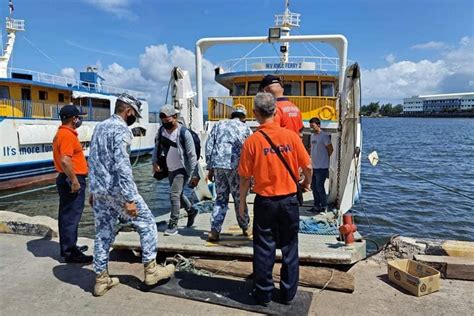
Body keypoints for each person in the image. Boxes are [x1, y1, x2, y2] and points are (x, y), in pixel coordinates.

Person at [88, 93, 175, 297]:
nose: (133, 118)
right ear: (128, 111)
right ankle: (151, 271)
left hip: (100, 191)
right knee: (147, 223)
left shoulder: (100, 127)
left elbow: (92, 158)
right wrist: (129, 199)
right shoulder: (121, 130)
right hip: (118, 191)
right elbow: (122, 166)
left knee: (102, 233)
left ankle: (101, 280)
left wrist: (93, 190)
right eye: (134, 114)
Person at [238, 92, 312, 305]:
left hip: (265, 202)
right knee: (290, 247)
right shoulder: (291, 137)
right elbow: (307, 166)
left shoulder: (252, 141)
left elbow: (244, 178)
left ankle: (264, 294)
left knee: (263, 248)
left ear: (255, 114)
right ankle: (288, 294)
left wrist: (242, 203)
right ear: (275, 111)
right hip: (289, 201)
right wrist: (306, 183)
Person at [205, 106, 253, 241]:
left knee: (220, 198)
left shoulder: (219, 124)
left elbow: (209, 145)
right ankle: (246, 228)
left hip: (219, 165)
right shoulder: (246, 128)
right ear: (243, 117)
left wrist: (210, 167)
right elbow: (250, 149)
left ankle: (214, 231)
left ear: (232, 115)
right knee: (239, 199)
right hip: (236, 167)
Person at [52, 105, 93, 263]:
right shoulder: (67, 135)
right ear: (73, 118)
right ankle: (70, 252)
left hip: (65, 177)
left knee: (67, 214)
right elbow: (65, 160)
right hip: (72, 179)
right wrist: (75, 181)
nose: (79, 120)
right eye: (78, 117)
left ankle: (70, 246)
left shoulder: (61, 133)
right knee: (71, 216)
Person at [152, 105, 200, 236]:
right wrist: (154, 162)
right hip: (169, 168)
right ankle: (191, 210)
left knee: (173, 195)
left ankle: (173, 225)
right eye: (163, 121)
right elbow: (156, 147)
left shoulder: (184, 133)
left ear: (175, 117)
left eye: (169, 121)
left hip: (182, 169)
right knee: (177, 194)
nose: (166, 124)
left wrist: (195, 174)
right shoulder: (161, 131)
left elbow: (191, 155)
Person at [309, 117, 333, 213]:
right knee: (313, 187)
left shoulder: (324, 136)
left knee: (320, 187)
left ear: (318, 125)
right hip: (314, 167)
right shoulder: (312, 136)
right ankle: (316, 206)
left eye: (313, 126)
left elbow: (330, 150)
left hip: (322, 167)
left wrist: (324, 159)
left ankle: (324, 206)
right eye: (310, 126)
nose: (311, 128)